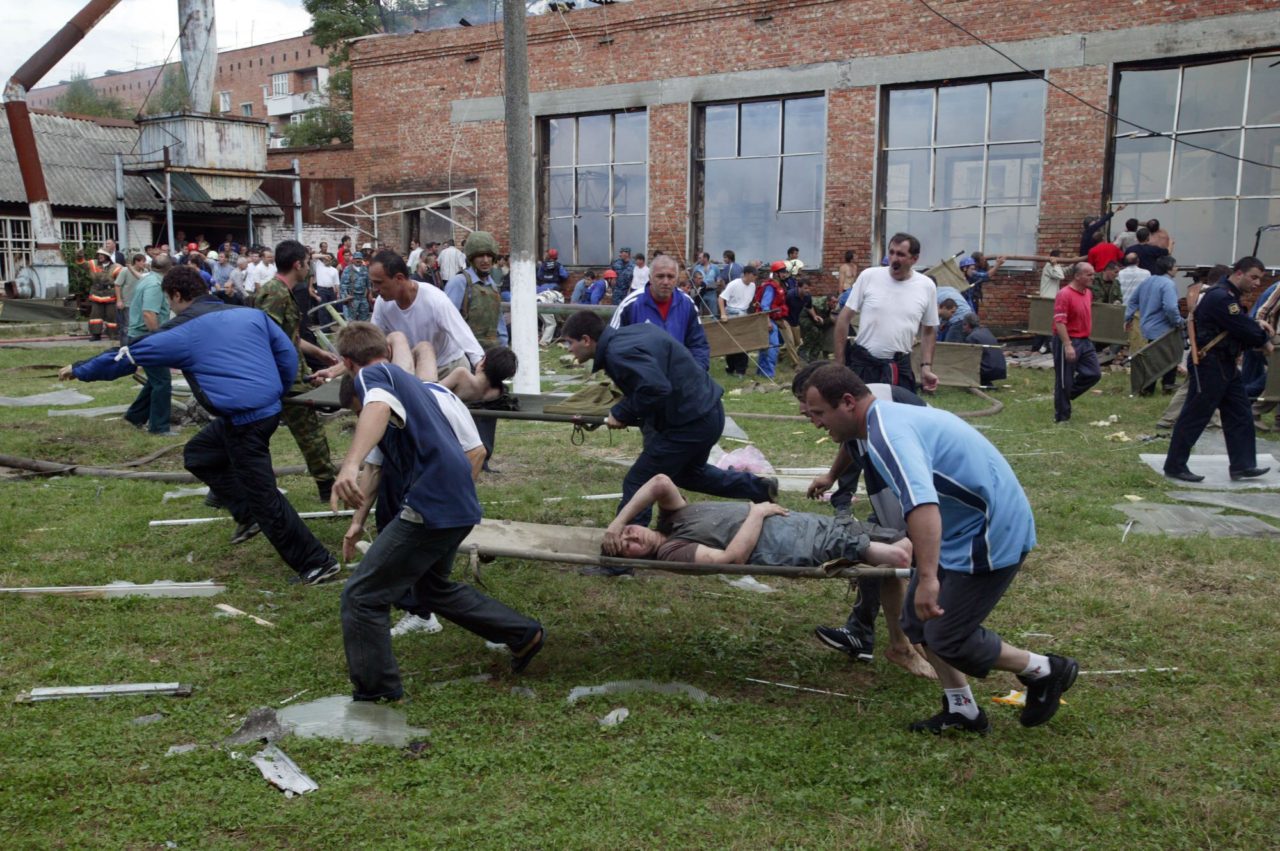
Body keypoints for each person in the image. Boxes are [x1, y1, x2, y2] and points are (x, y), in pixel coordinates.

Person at [803, 364, 1077, 735]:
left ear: (848, 402)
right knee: (916, 621)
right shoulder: (877, 421)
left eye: (818, 413)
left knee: (947, 636)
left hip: (990, 528)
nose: (816, 423)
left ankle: (1045, 669)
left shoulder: (888, 434)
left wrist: (929, 577)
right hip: (961, 524)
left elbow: (922, 505)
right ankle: (962, 709)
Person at [60, 264, 340, 585]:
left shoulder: (182, 331)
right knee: (200, 454)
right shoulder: (250, 314)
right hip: (264, 412)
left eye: (169, 301)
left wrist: (79, 369)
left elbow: (123, 357)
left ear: (177, 295)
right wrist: (275, 390)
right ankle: (247, 514)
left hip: (245, 421)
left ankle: (316, 563)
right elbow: (287, 355)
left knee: (264, 497)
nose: (170, 308)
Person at [331, 322, 544, 702]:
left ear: (348, 363)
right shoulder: (414, 386)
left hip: (431, 505)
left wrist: (348, 465)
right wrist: (357, 522)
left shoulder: (374, 375)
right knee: (430, 587)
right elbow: (377, 467)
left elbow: (376, 405)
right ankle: (523, 634)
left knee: (362, 596)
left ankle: (377, 695)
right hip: (458, 504)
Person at [560, 310, 776, 544]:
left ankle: (628, 546)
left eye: (569, 343)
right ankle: (759, 489)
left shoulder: (617, 352)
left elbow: (656, 388)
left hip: (691, 421)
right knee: (687, 475)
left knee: (639, 480)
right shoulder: (630, 334)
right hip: (707, 412)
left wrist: (622, 412)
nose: (568, 349)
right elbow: (653, 380)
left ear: (586, 340)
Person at [793, 364, 935, 679]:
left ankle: (925, 641)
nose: (810, 417)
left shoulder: (885, 409)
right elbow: (851, 439)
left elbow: (919, 477)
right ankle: (876, 636)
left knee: (907, 561)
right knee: (879, 552)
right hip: (892, 492)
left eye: (813, 408)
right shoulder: (856, 414)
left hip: (914, 496)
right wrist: (832, 475)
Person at [601, 473, 912, 571]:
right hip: (797, 545)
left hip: (809, 523)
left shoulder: (671, 517)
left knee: (904, 540)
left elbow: (660, 482)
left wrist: (616, 524)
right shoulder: (672, 551)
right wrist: (757, 513)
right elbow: (731, 559)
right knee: (898, 555)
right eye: (627, 547)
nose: (632, 537)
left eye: (628, 532)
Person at [1164, 257, 1275, 483]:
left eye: (1259, 279)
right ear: (1238, 273)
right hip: (1210, 364)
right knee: (1195, 416)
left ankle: (1243, 465)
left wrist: (1255, 325)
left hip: (1226, 364)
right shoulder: (1221, 297)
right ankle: (1175, 465)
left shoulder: (1229, 296)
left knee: (1240, 414)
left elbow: (1239, 322)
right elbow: (1242, 328)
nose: (1256, 283)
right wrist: (1263, 337)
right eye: (1253, 277)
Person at [255, 239, 340, 502]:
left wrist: (320, 353)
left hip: (288, 374)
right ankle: (327, 486)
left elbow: (288, 337)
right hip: (283, 378)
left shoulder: (282, 291)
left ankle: (221, 488)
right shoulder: (276, 294)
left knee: (253, 432)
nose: (309, 268)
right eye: (307, 262)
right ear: (297, 265)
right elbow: (265, 337)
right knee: (310, 432)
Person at [833, 233, 939, 394]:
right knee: (858, 409)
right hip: (864, 364)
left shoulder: (926, 286)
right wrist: (839, 363)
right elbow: (844, 318)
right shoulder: (869, 276)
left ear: (914, 259)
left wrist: (926, 367)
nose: (894, 259)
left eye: (901, 254)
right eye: (891, 252)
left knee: (901, 409)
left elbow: (929, 330)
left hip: (899, 367)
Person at [610, 255, 710, 370]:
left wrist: (696, 372)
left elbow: (698, 345)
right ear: (650, 278)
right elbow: (613, 346)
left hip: (678, 376)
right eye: (660, 276)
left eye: (670, 276)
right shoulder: (630, 304)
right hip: (641, 376)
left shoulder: (687, 304)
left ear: (677, 279)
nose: (666, 282)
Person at [122, 254, 174, 435]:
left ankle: (135, 416)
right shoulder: (155, 285)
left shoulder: (148, 279)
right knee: (163, 381)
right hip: (146, 337)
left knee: (155, 379)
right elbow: (149, 314)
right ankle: (159, 427)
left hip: (141, 336)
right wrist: (158, 338)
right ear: (169, 269)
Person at [1124, 255, 1185, 395]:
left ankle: (1153, 387)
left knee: (1153, 357)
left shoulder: (1147, 281)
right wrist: (1178, 321)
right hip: (1163, 328)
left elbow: (1133, 301)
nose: (1177, 268)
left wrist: (1127, 318)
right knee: (1169, 356)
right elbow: (1170, 307)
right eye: (1175, 266)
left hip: (1147, 326)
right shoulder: (1168, 284)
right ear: (1168, 268)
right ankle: (1162, 385)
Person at [1051, 262, 1101, 423]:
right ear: (1077, 276)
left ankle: (1065, 395)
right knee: (1064, 379)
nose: (1093, 277)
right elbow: (1059, 322)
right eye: (1089, 274)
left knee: (1094, 373)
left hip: (1084, 340)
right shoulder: (1064, 294)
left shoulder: (1087, 293)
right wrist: (1067, 345)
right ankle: (1062, 417)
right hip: (1067, 340)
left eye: (1093, 274)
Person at [444, 231, 504, 349]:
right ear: (472, 259)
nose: (485, 260)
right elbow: (447, 323)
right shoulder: (459, 283)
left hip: (492, 351)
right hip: (467, 352)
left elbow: (499, 324)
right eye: (480, 256)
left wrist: (503, 347)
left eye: (489, 255)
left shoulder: (492, 285)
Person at [718, 264, 758, 377]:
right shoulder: (734, 284)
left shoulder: (753, 286)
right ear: (747, 274)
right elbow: (721, 298)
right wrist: (723, 314)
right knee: (732, 342)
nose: (755, 277)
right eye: (753, 275)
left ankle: (741, 370)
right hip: (732, 314)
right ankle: (730, 368)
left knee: (743, 342)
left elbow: (749, 301)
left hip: (744, 315)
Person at [113, 252, 151, 345]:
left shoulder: (145, 272)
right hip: (128, 303)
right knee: (126, 326)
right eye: (143, 261)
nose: (144, 264)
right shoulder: (125, 271)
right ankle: (124, 345)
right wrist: (119, 300)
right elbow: (117, 285)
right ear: (136, 262)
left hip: (141, 304)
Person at [86, 247, 122, 341]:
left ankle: (113, 334)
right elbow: (82, 264)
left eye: (102, 255)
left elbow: (120, 282)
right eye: (99, 254)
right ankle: (95, 335)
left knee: (111, 316)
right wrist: (79, 257)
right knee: (95, 316)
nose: (100, 256)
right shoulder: (93, 264)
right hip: (96, 294)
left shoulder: (117, 267)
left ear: (107, 256)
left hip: (110, 295)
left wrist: (120, 298)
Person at [962, 313, 1006, 385]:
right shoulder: (986, 331)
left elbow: (968, 359)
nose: (962, 328)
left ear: (967, 325)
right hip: (1000, 369)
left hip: (987, 371)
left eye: (963, 325)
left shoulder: (971, 337)